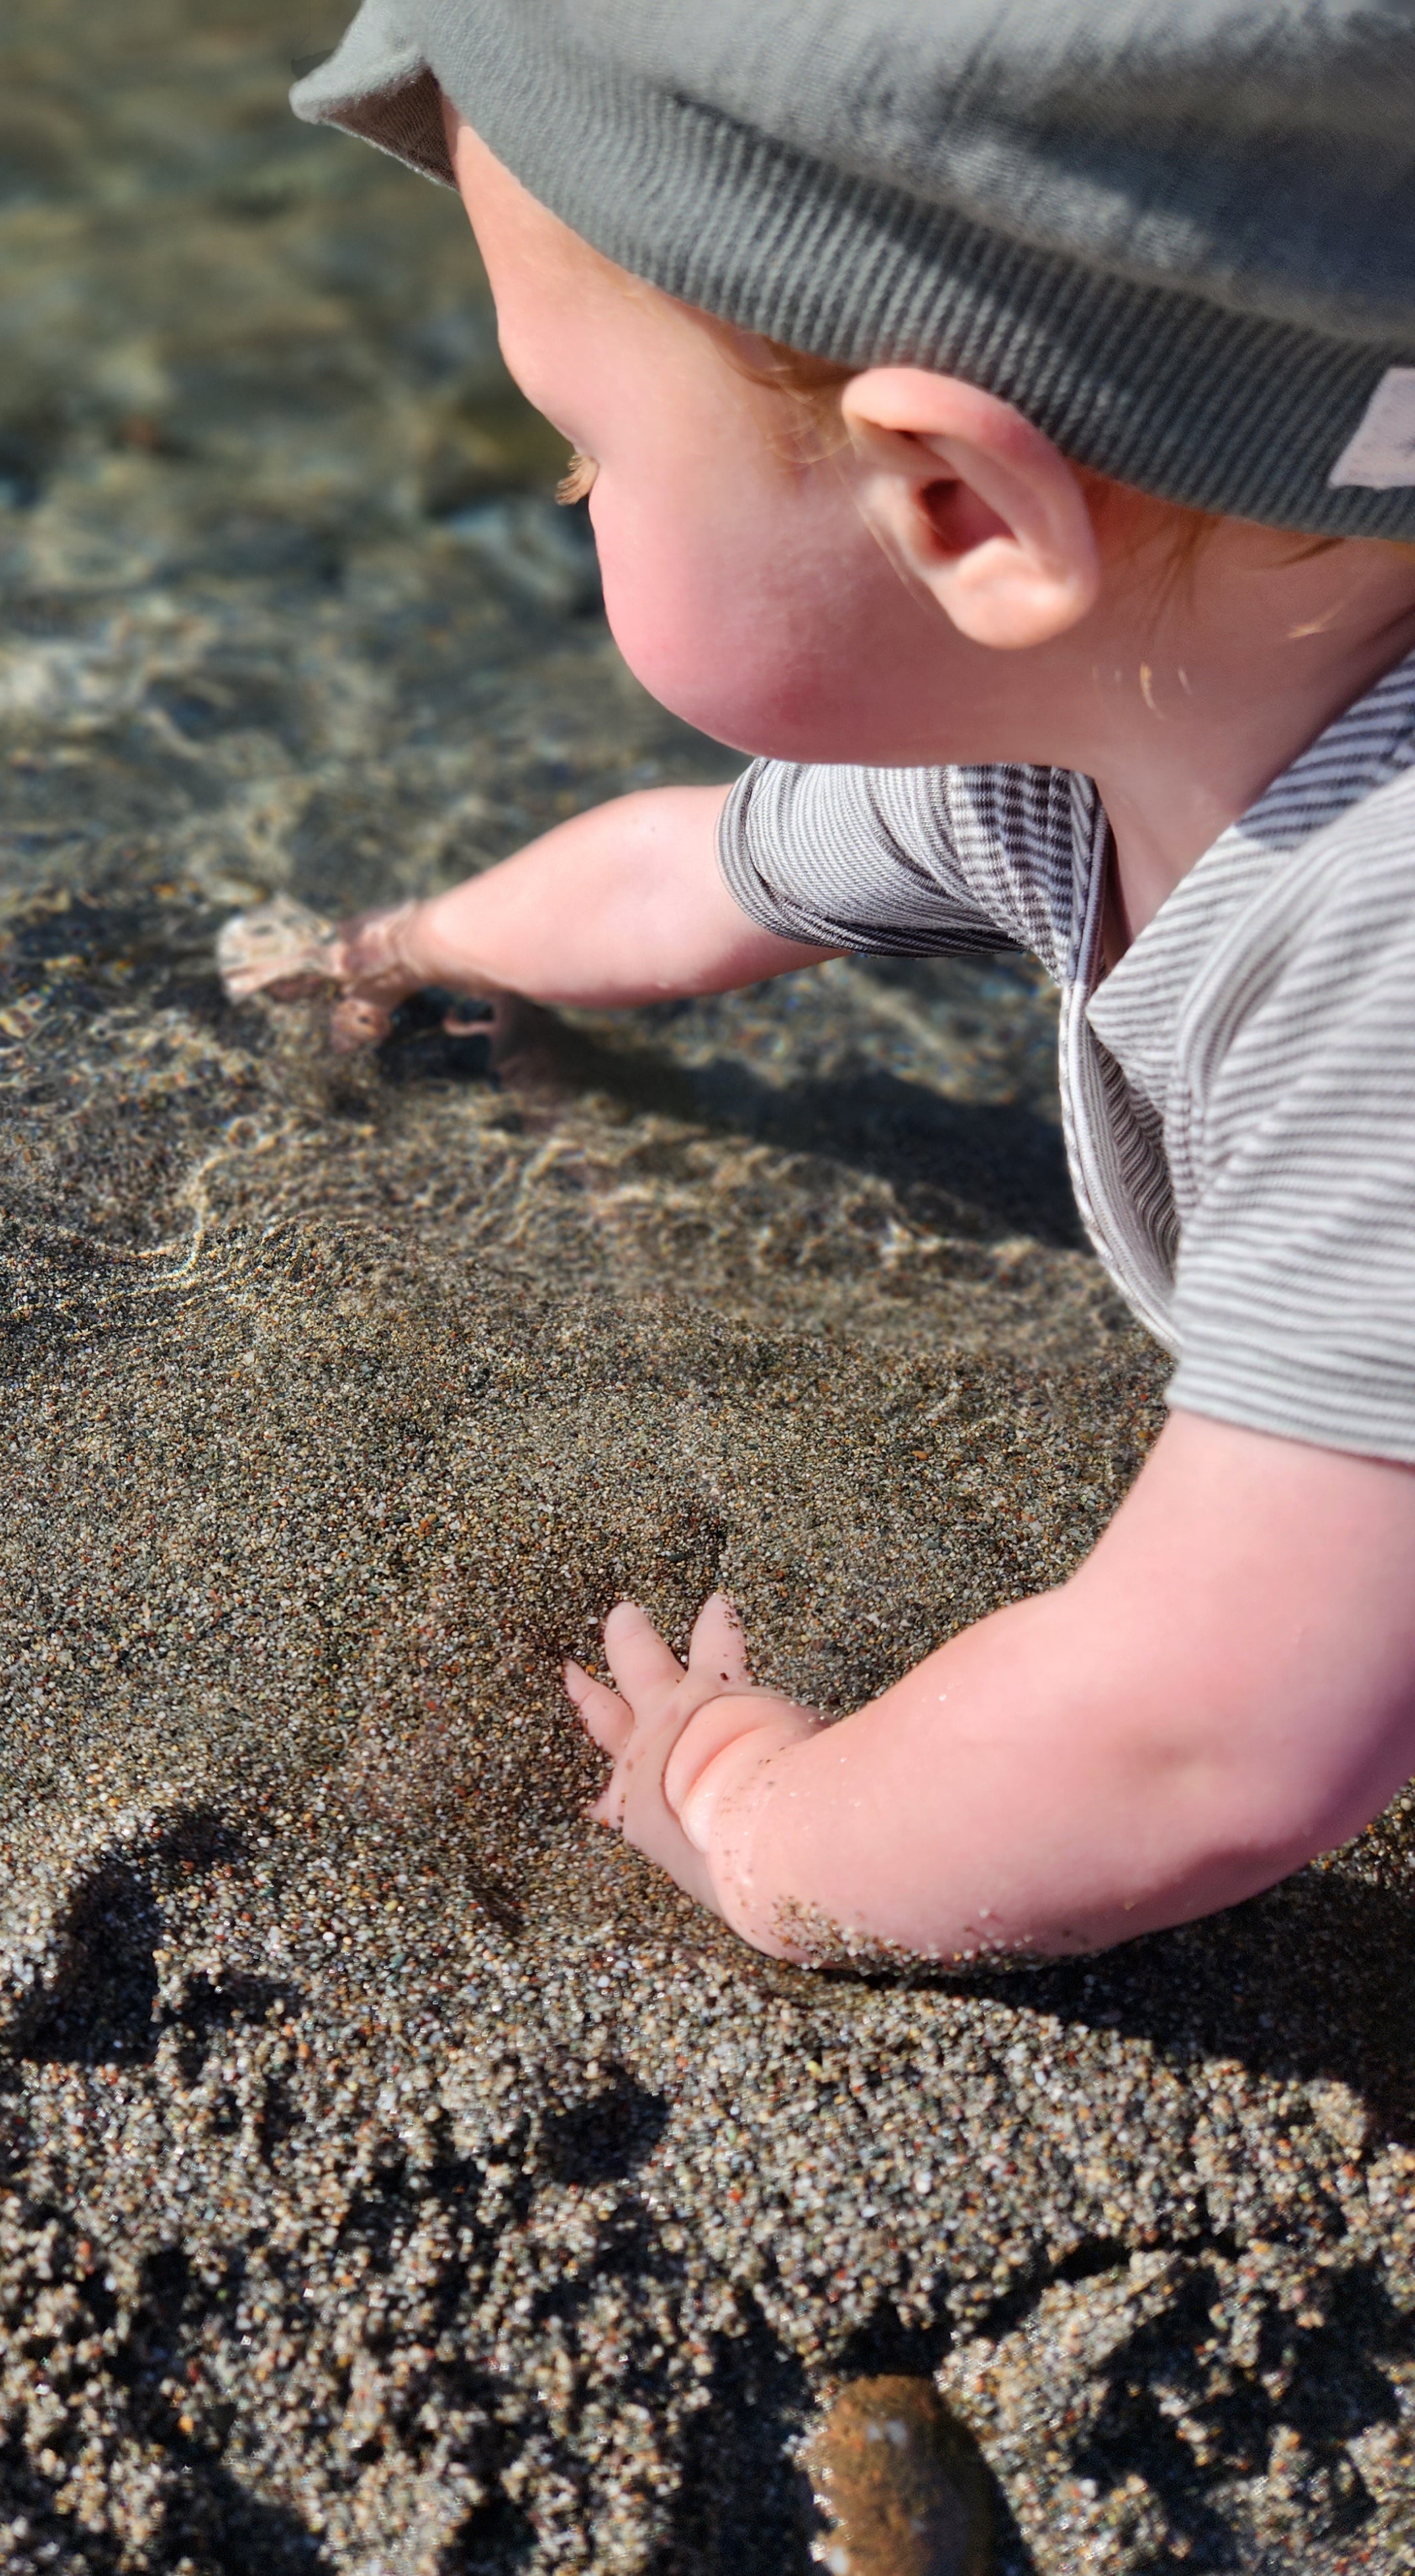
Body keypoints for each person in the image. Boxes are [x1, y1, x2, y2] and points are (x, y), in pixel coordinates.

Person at [224, 0, 1415, 1968]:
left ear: (958, 507)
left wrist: (754, 1809)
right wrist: (402, 949)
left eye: (579, 459)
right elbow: (689, 880)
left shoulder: (1382, 967)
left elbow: (1208, 1735)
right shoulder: (1076, 747)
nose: (579, 499)